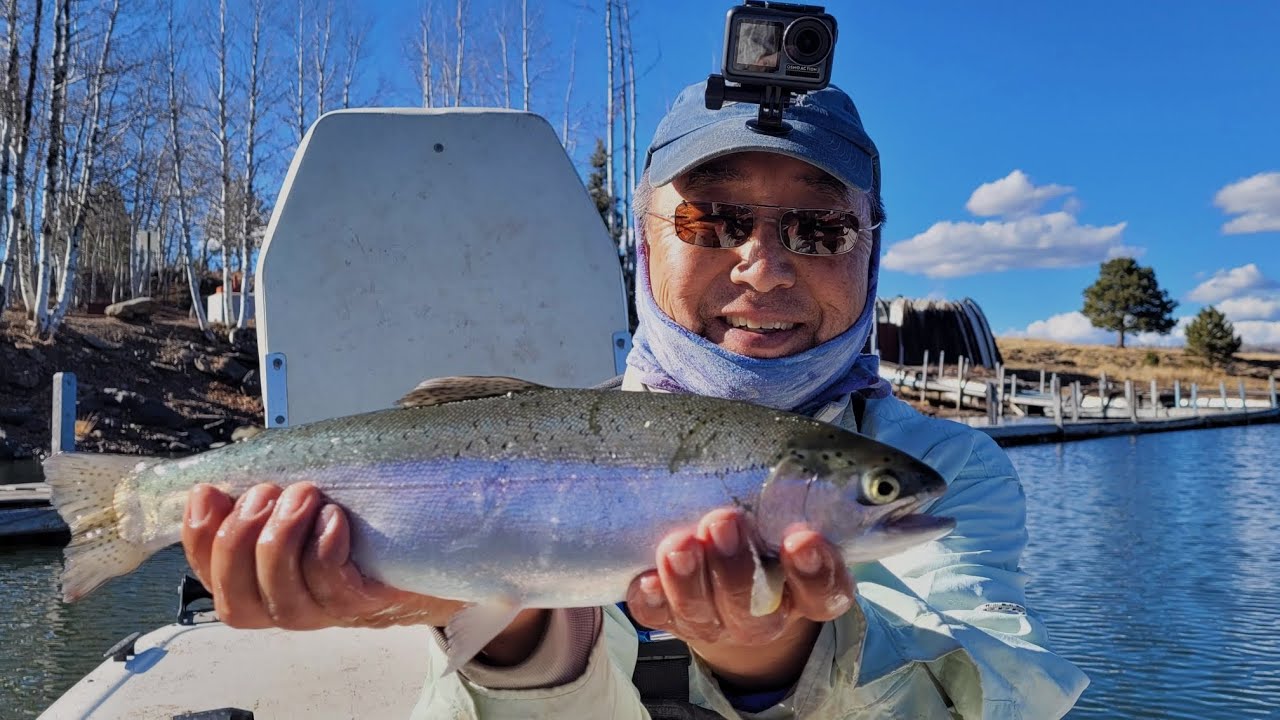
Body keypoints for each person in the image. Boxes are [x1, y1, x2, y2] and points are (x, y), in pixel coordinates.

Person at [181, 80, 1089, 718]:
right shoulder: (537, 443)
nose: (765, 267)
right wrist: (514, 635)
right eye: (713, 221)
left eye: (819, 229)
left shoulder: (953, 469)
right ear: (646, 245)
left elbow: (996, 695)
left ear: (871, 253)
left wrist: (784, 659)